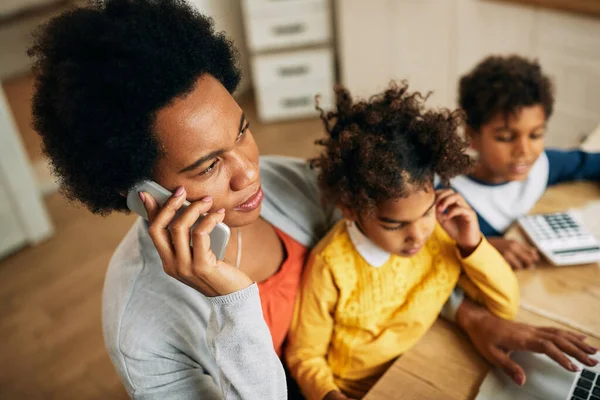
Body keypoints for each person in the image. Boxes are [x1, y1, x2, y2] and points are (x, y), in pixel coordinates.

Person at [28, 1, 598, 398]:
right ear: (136, 189)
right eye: (207, 164)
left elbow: (390, 254)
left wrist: (471, 317)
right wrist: (231, 304)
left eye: (243, 129)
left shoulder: (288, 182)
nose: (250, 172)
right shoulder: (142, 331)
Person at [285, 83, 520, 400]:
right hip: (358, 390)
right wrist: (329, 395)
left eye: (425, 213)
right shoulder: (331, 265)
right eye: (393, 224)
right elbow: (304, 355)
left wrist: (472, 243)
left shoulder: (442, 232)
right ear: (351, 210)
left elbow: (505, 305)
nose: (418, 235)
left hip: (426, 362)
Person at [453, 55, 600, 270]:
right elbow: (428, 252)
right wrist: (480, 248)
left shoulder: (543, 165)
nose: (524, 151)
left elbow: (591, 163)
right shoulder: (449, 197)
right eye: (505, 137)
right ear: (471, 136)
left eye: (535, 135)